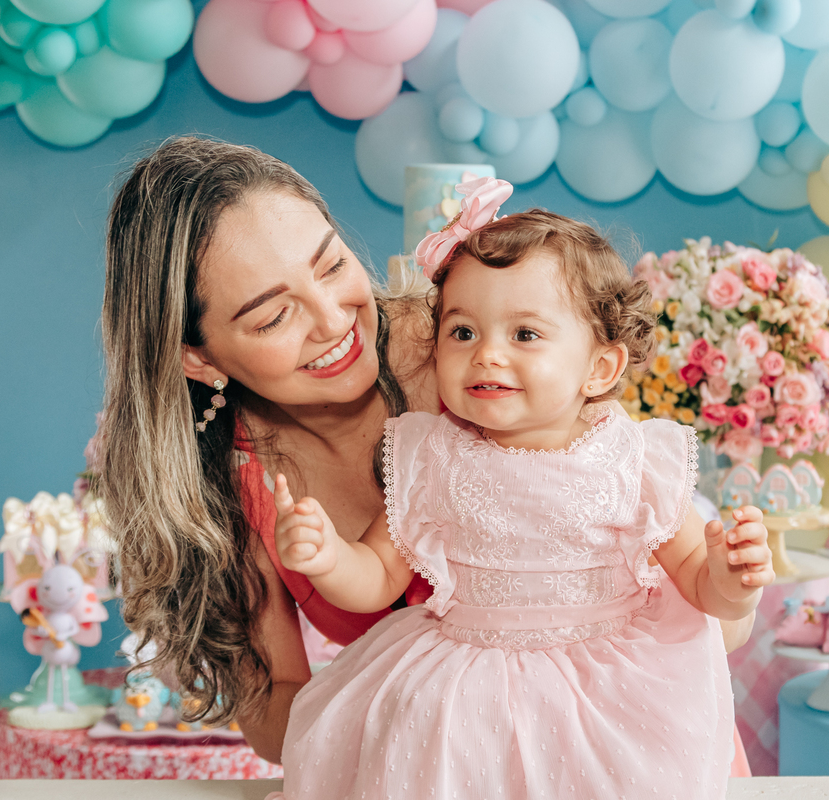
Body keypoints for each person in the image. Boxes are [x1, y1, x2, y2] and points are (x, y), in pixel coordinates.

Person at [270, 179, 773, 798]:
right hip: (462, 679)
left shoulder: (636, 459)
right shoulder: (432, 454)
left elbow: (700, 585)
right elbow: (377, 577)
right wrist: (328, 557)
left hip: (604, 685)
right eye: (463, 333)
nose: (487, 355)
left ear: (600, 368)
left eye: (525, 335)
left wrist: (732, 579)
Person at [97, 137, 440, 764]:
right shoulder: (224, 482)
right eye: (272, 317)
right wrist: (407, 732)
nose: (334, 322)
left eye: (332, 266)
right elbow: (274, 703)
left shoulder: (465, 355)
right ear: (196, 358)